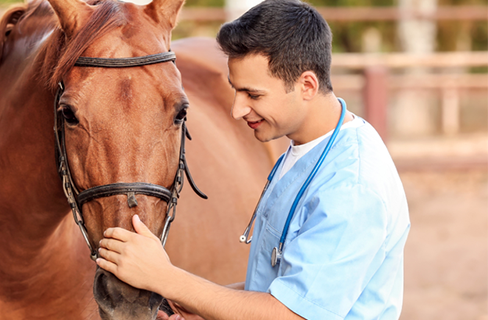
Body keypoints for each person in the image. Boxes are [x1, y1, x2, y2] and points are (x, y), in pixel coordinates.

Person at [96, 0, 410, 319]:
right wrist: (196, 312)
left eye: (253, 95)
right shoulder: (308, 147)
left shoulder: (351, 189)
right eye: (236, 91)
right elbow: (276, 284)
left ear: (306, 85)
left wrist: (165, 278)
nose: (237, 110)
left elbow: (292, 313)